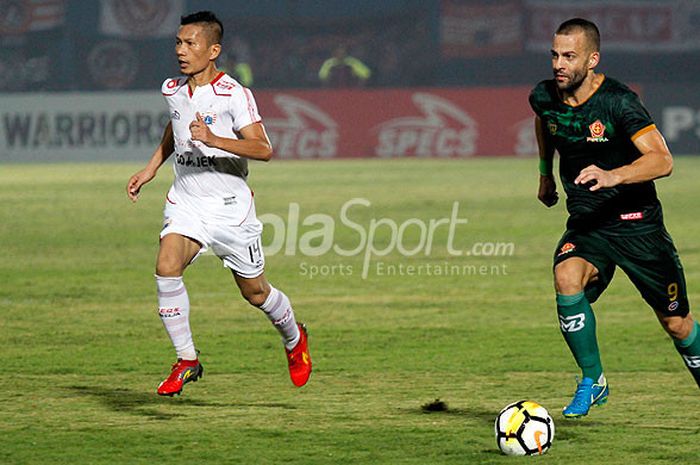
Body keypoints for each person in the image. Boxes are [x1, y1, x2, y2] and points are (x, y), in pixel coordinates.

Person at [126, 11, 312, 396]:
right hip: (187, 201)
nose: (181, 50)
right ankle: (187, 360)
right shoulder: (172, 88)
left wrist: (215, 139)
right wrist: (150, 169)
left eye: (190, 43)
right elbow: (174, 127)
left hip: (230, 207)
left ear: (213, 50)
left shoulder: (234, 95)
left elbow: (263, 149)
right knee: (166, 266)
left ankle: (294, 338)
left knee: (255, 293)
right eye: (178, 42)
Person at [529, 18, 700, 418]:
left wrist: (613, 176)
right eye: (554, 54)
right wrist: (544, 174)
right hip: (589, 225)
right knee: (566, 277)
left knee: (677, 325)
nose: (558, 63)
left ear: (592, 60)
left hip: (638, 224)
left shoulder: (619, 102)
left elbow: (663, 159)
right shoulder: (544, 96)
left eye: (568, 56)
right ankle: (593, 380)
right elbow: (545, 123)